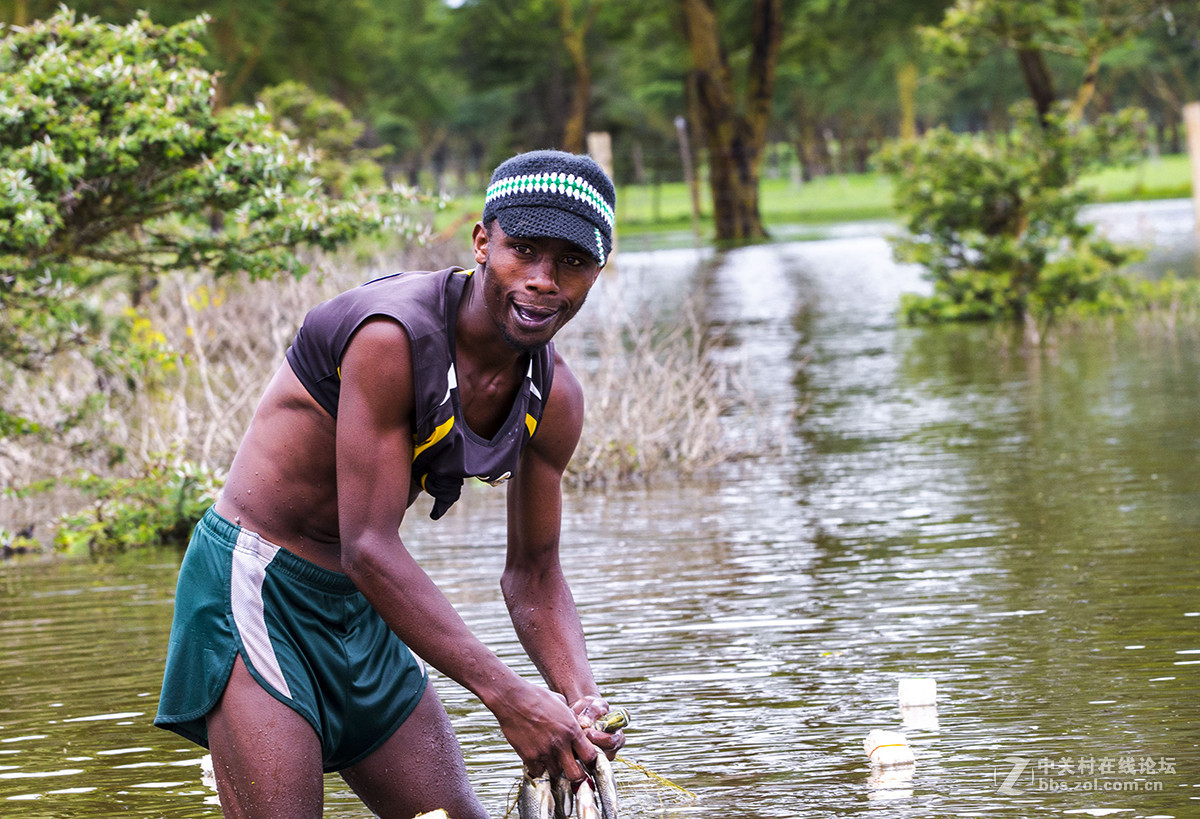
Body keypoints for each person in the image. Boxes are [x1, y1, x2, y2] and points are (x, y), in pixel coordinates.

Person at [155, 150, 624, 818]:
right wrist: (510, 697)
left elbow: (534, 574)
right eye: (523, 250)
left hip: (359, 605)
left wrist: (579, 700)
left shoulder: (555, 397)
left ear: (596, 273)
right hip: (259, 584)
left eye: (572, 262)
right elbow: (369, 546)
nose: (543, 281)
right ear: (482, 244)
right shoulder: (393, 336)